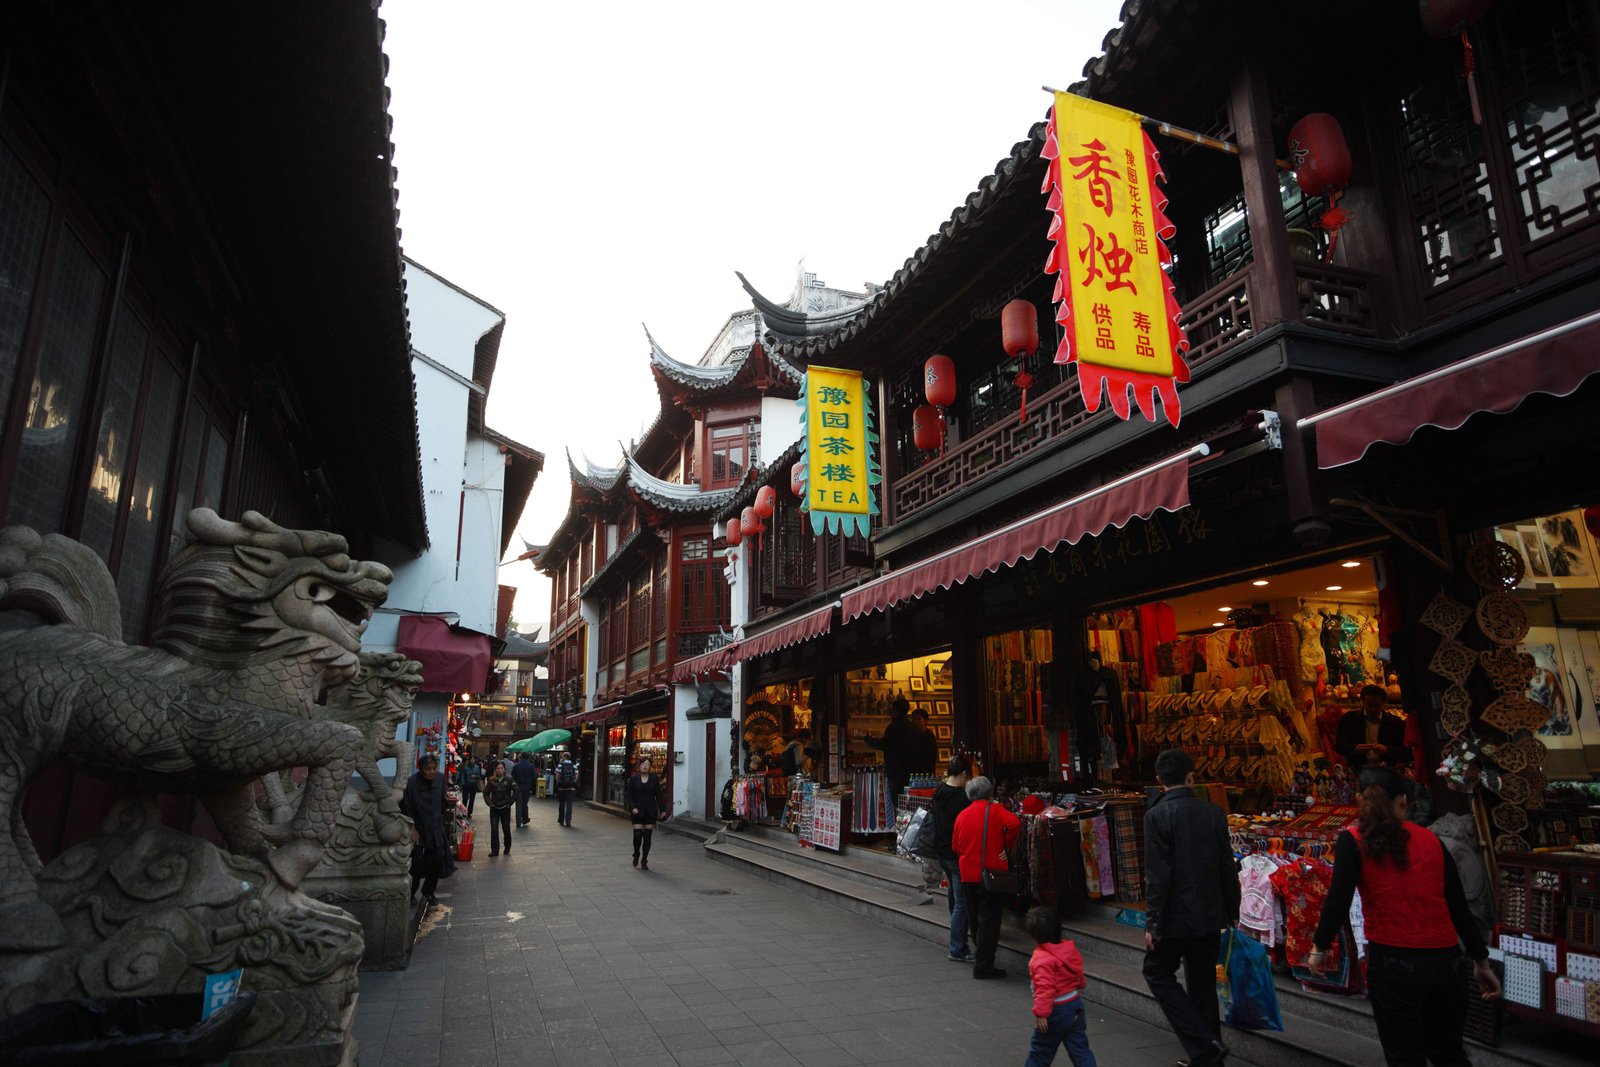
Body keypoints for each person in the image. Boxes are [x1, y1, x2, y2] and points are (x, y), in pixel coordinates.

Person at [1309, 766, 1500, 1066]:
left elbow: (1337, 901)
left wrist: (1319, 948)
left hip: (1393, 965)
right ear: (1403, 801)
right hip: (1446, 963)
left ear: (1359, 799)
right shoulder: (1433, 841)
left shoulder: (1353, 840)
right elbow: (1458, 907)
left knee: (1404, 1056)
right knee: (1448, 1053)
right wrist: (1481, 962)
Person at [1142, 748, 1238, 1067]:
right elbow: (1227, 865)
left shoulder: (1156, 815)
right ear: (1191, 777)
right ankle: (1210, 1053)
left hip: (1174, 916)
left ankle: (1204, 1045)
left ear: (1159, 780)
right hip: (1210, 912)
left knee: (1156, 972)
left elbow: (1158, 875)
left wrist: (1153, 923)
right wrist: (1232, 908)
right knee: (1202, 983)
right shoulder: (1213, 814)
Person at [950, 775, 1021, 980]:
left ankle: (980, 956)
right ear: (989, 792)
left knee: (975, 919)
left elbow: (956, 846)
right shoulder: (996, 810)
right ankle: (983, 965)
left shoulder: (962, 815)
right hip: (991, 873)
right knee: (990, 920)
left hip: (968, 874)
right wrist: (1004, 845)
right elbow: (1015, 824)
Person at [1023, 906, 1096, 1067]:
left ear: (1033, 936)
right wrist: (1079, 984)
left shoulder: (1041, 959)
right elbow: (1077, 970)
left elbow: (1044, 989)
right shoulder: (1068, 949)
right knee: (1080, 1049)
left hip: (1055, 1010)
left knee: (1041, 1051)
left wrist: (1041, 1014)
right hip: (1074, 1004)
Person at [931, 753, 974, 963]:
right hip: (956, 854)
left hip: (942, 851)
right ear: (964, 774)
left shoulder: (939, 792)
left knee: (954, 895)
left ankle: (957, 940)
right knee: (961, 903)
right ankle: (957, 947)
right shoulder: (961, 799)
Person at [399, 754, 453, 906]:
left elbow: (443, 801)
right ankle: (411, 894)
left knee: (435, 860)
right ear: (420, 769)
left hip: (436, 829)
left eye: (434, 768)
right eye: (428, 769)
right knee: (416, 863)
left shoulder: (440, 779)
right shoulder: (411, 783)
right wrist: (412, 828)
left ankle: (429, 891)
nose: (431, 772)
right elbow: (406, 807)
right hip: (419, 830)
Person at [1334, 684, 1410, 773]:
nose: (1373, 709)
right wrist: (1354, 749)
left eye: (1377, 706)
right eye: (1369, 706)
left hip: (1387, 774)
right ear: (1362, 701)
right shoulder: (1348, 720)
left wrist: (1387, 750)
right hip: (1358, 773)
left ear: (1383, 703)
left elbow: (1407, 754)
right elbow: (1339, 746)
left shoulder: (1396, 723)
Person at [869, 696, 917, 818]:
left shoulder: (893, 727)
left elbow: (884, 744)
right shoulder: (912, 727)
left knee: (898, 803)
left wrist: (868, 739)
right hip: (911, 769)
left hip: (895, 771)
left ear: (895, 711)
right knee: (909, 802)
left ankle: (900, 830)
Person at [626, 756, 662, 869]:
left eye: (647, 764)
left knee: (647, 835)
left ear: (650, 766)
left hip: (650, 810)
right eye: (643, 764)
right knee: (637, 835)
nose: (645, 766)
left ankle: (644, 859)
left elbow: (659, 795)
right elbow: (629, 795)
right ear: (639, 766)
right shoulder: (633, 779)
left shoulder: (654, 778)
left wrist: (663, 810)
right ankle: (636, 853)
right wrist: (633, 807)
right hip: (637, 810)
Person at [483, 761, 515, 857]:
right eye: (498, 768)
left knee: (506, 828)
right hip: (494, 808)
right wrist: (490, 803)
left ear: (504, 769)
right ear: (495, 770)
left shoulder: (509, 779)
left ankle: (507, 846)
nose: (500, 770)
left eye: (501, 768)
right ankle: (495, 850)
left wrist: (510, 803)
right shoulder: (491, 780)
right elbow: (486, 793)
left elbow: (516, 791)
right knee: (494, 829)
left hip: (505, 807)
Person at [909, 708, 938, 778]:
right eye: (914, 719)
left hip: (925, 774)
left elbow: (930, 757)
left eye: (919, 719)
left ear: (926, 721)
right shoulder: (910, 734)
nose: (915, 721)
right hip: (912, 773)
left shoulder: (929, 737)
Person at [553, 749, 579, 827]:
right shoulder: (574, 765)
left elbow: (557, 776)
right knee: (569, 805)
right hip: (571, 788)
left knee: (561, 805)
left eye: (562, 756)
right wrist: (573, 782)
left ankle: (561, 821)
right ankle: (568, 822)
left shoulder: (560, 765)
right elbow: (577, 776)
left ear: (565, 757)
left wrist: (558, 783)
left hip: (561, 788)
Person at [512, 753, 536, 827]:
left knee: (518, 804)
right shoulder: (531, 766)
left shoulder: (516, 765)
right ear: (528, 758)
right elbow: (534, 777)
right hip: (527, 786)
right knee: (525, 803)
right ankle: (525, 819)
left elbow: (513, 776)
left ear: (521, 757)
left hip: (518, 786)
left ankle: (518, 821)